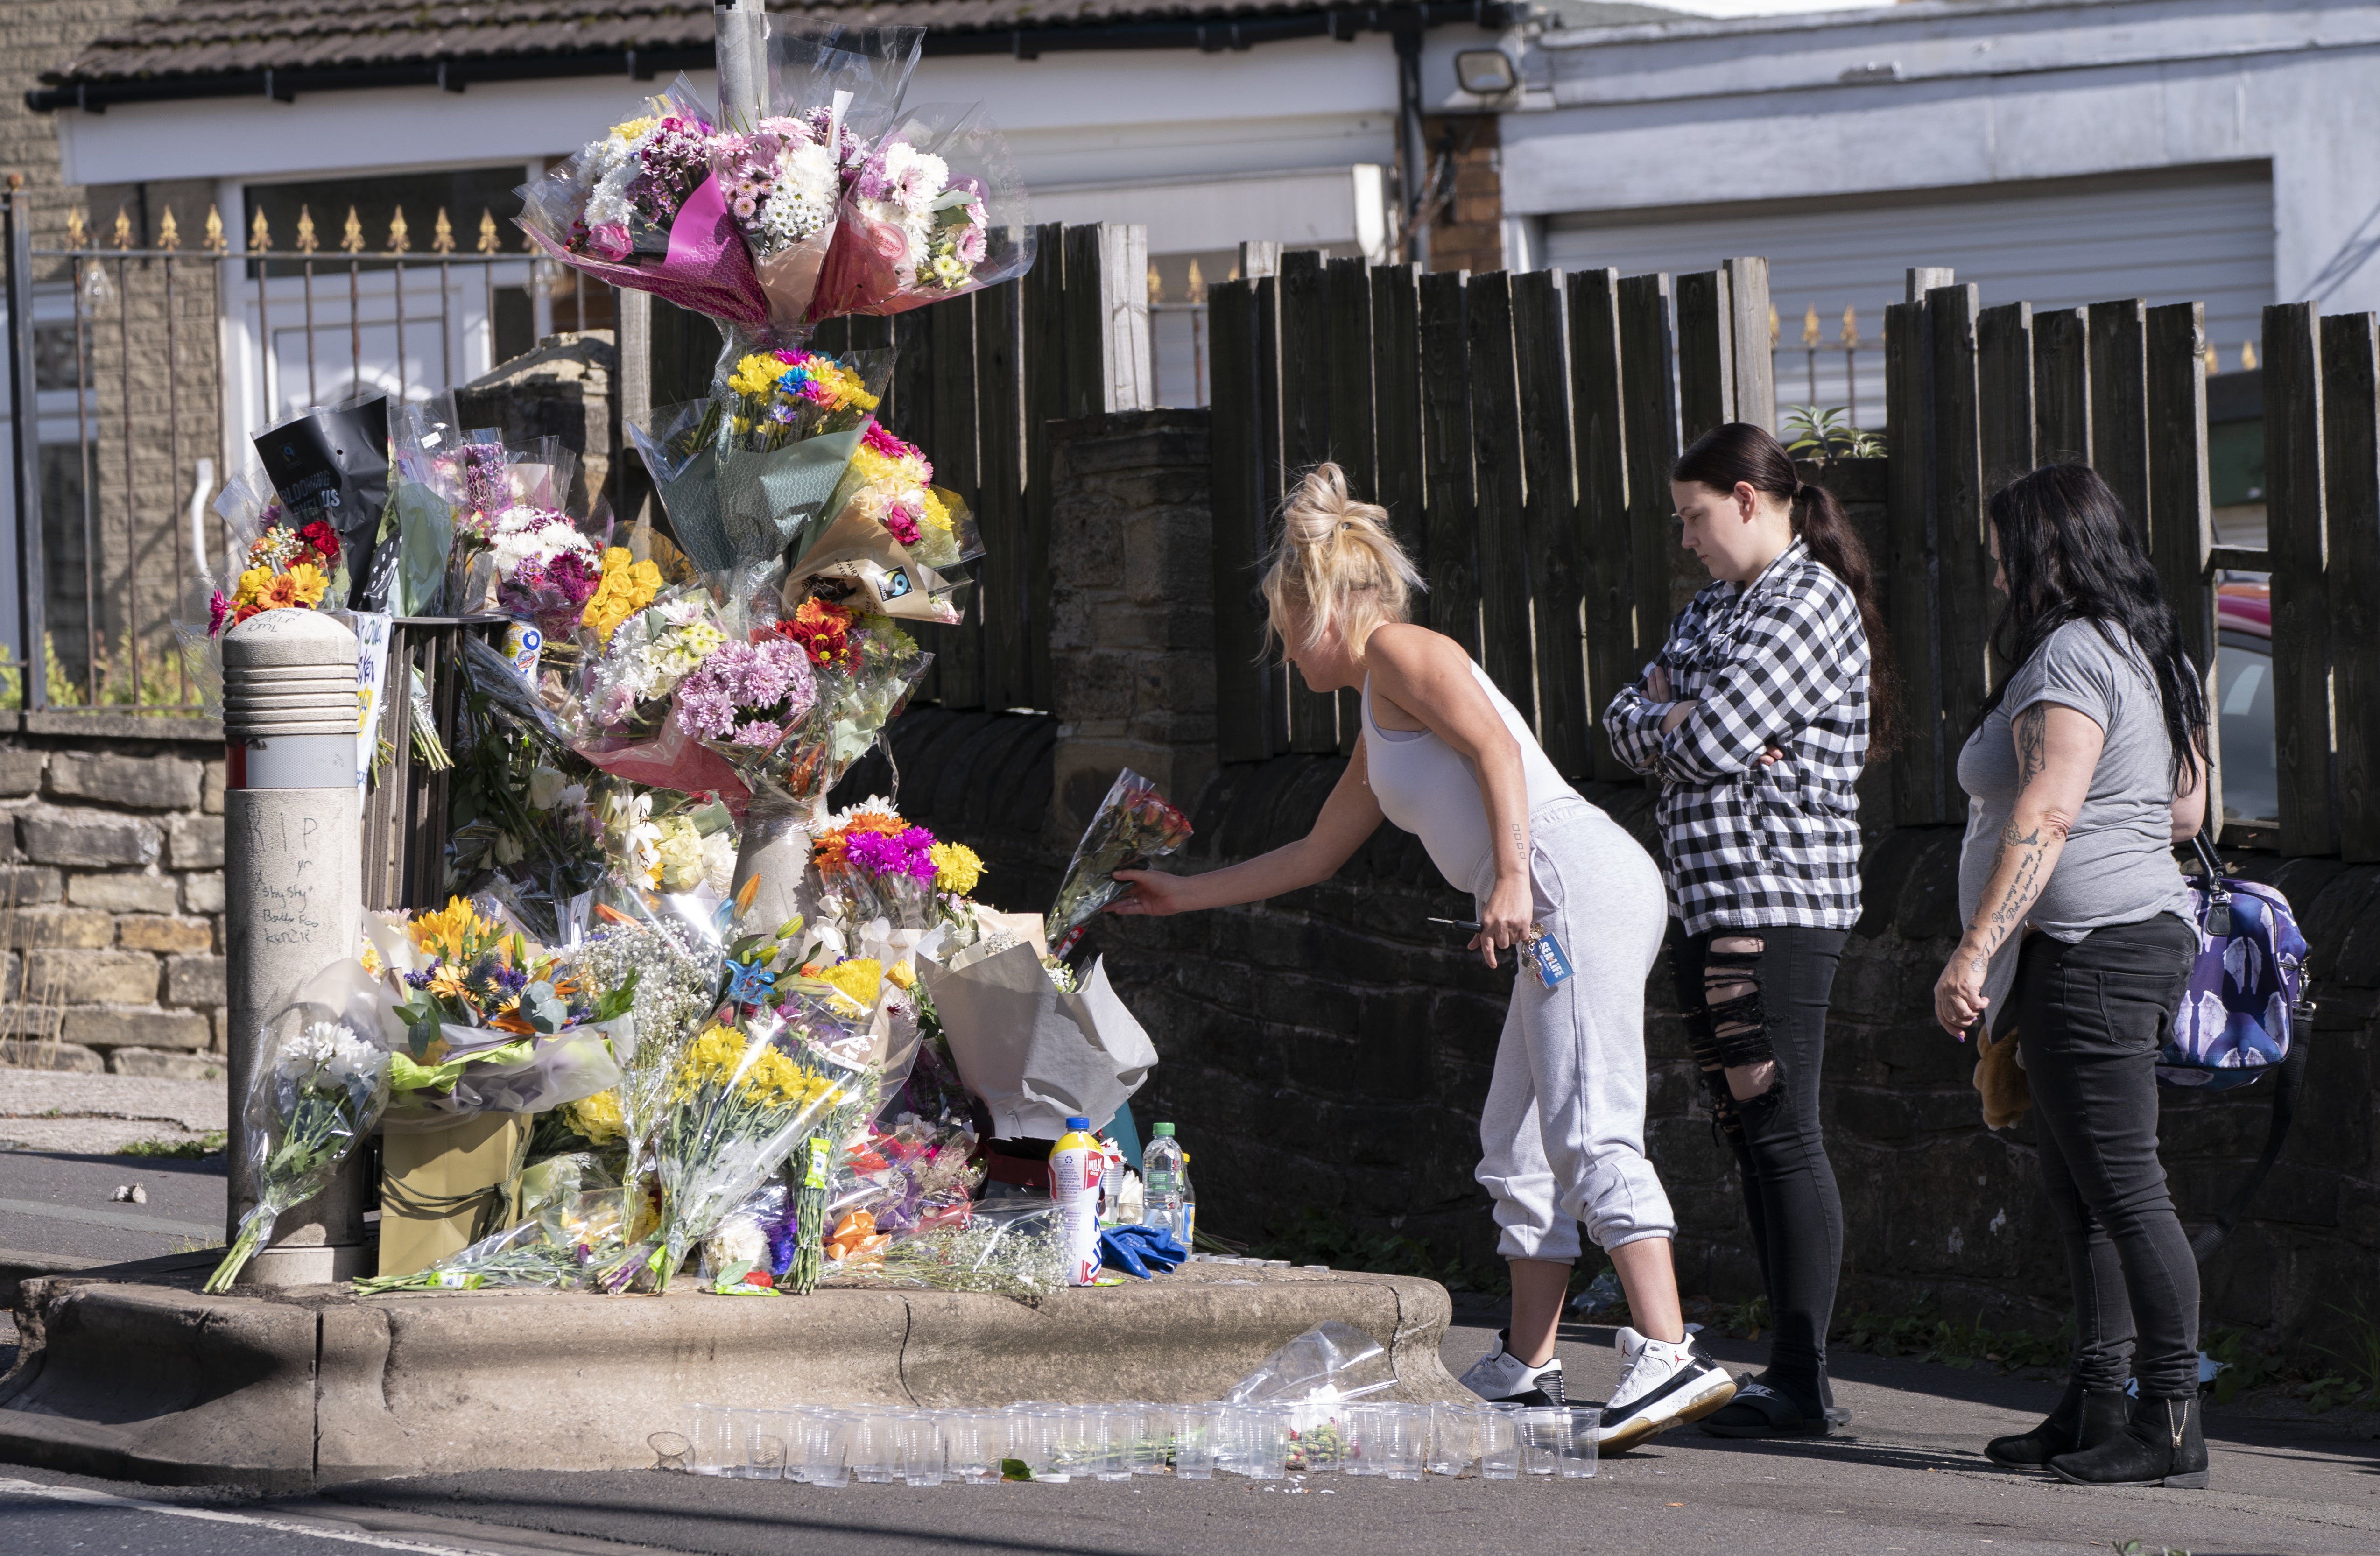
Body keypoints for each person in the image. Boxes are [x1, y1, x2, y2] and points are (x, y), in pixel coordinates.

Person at [1110, 462, 1735, 1451]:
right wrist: (1179, 891)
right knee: (1516, 1136)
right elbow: (1316, 850)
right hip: (1552, 890)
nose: (1278, 646)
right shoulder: (1376, 707)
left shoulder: (1403, 649)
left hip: (1568, 882)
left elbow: (1493, 748)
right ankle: (1527, 1365)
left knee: (1585, 1115)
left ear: (1318, 606)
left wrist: (1511, 881)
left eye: (1280, 620)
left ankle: (1668, 1349)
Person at [1602, 422, 1890, 1439]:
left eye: (1691, 517)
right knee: (1748, 1138)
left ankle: (1802, 1379)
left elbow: (1712, 732)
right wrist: (1677, 720)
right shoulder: (1715, 606)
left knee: (1782, 1134)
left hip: (1776, 906)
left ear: (1743, 498)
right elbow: (1620, 718)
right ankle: (1788, 1369)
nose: (1683, 538)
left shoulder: (1804, 601)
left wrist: (1687, 720)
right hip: (1711, 900)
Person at [1933, 464, 2210, 1488]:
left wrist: (1972, 949)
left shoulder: (2064, 655)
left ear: (2043, 551)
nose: (1995, 570)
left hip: (2091, 951)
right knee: (2084, 1189)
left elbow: (2045, 809)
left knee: (2124, 1189)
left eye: (2003, 547)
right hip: (2112, 940)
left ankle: (2170, 1420)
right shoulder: (2140, 646)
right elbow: (2184, 811)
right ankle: (2099, 1401)